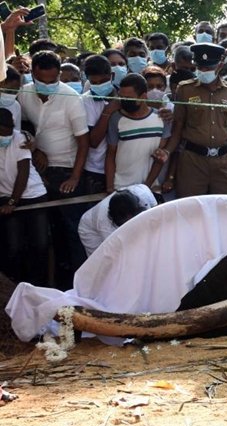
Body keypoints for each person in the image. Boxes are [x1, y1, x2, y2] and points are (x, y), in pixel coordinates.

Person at [18, 51, 90, 276]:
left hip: (67, 170)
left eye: (53, 81)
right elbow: (21, 127)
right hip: (34, 170)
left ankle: (79, 280)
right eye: (42, 81)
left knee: (73, 229)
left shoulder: (71, 98)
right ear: (32, 74)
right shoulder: (23, 93)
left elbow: (84, 142)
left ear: (59, 74)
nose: (48, 85)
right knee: (42, 232)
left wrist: (74, 178)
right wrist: (36, 149)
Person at [156, 43, 227, 198]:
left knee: (226, 210)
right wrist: (167, 151)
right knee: (190, 211)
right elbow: (178, 128)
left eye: (208, 68)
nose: (204, 71)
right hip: (193, 161)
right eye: (200, 67)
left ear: (220, 66)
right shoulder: (185, 89)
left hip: (223, 162)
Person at [0, 107, 48, 286]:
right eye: (2, 134)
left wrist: (13, 201)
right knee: (14, 247)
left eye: (9, 133)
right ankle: (16, 287)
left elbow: (23, 172)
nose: (7, 137)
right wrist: (9, 201)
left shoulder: (20, 138)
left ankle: (40, 286)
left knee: (40, 244)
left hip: (32, 196)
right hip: (6, 198)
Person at [105, 73, 169, 192]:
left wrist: (146, 187)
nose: (124, 102)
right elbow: (110, 154)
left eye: (129, 98)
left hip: (150, 188)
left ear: (143, 96)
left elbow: (159, 159)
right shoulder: (116, 118)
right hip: (120, 187)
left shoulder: (161, 119)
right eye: (122, 97)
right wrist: (110, 187)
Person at [78, 185, 157, 257]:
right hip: (91, 230)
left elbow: (156, 216)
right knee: (105, 262)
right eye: (124, 223)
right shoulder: (104, 222)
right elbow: (116, 250)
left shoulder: (144, 192)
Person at [82, 55, 120, 195]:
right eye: (94, 82)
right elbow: (93, 141)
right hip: (96, 169)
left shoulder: (124, 95)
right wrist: (108, 111)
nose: (99, 85)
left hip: (122, 168)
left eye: (103, 81)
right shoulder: (86, 101)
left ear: (112, 76)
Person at [0, 66, 22, 131]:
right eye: (8, 91)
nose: (11, 95)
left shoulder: (15, 106)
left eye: (15, 92)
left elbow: (16, 132)